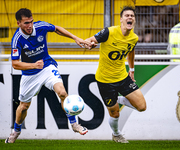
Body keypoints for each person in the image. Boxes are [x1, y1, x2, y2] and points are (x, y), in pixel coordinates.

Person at [5, 8, 90, 143]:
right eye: (26, 23)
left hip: (47, 66)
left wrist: (75, 38)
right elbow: (15, 64)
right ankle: (16, 130)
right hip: (29, 74)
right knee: (24, 107)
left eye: (31, 22)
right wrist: (33, 65)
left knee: (62, 93)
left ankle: (74, 124)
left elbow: (56, 28)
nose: (30, 26)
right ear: (18, 23)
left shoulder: (40, 26)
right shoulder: (17, 39)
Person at [85, 6, 146, 143]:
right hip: (105, 80)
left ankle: (115, 100)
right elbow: (91, 39)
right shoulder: (109, 32)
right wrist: (90, 43)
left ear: (134, 20)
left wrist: (132, 69)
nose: (130, 17)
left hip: (122, 77)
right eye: (127, 16)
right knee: (114, 113)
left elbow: (131, 52)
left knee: (142, 107)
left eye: (132, 16)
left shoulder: (134, 38)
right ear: (121, 20)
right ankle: (116, 134)